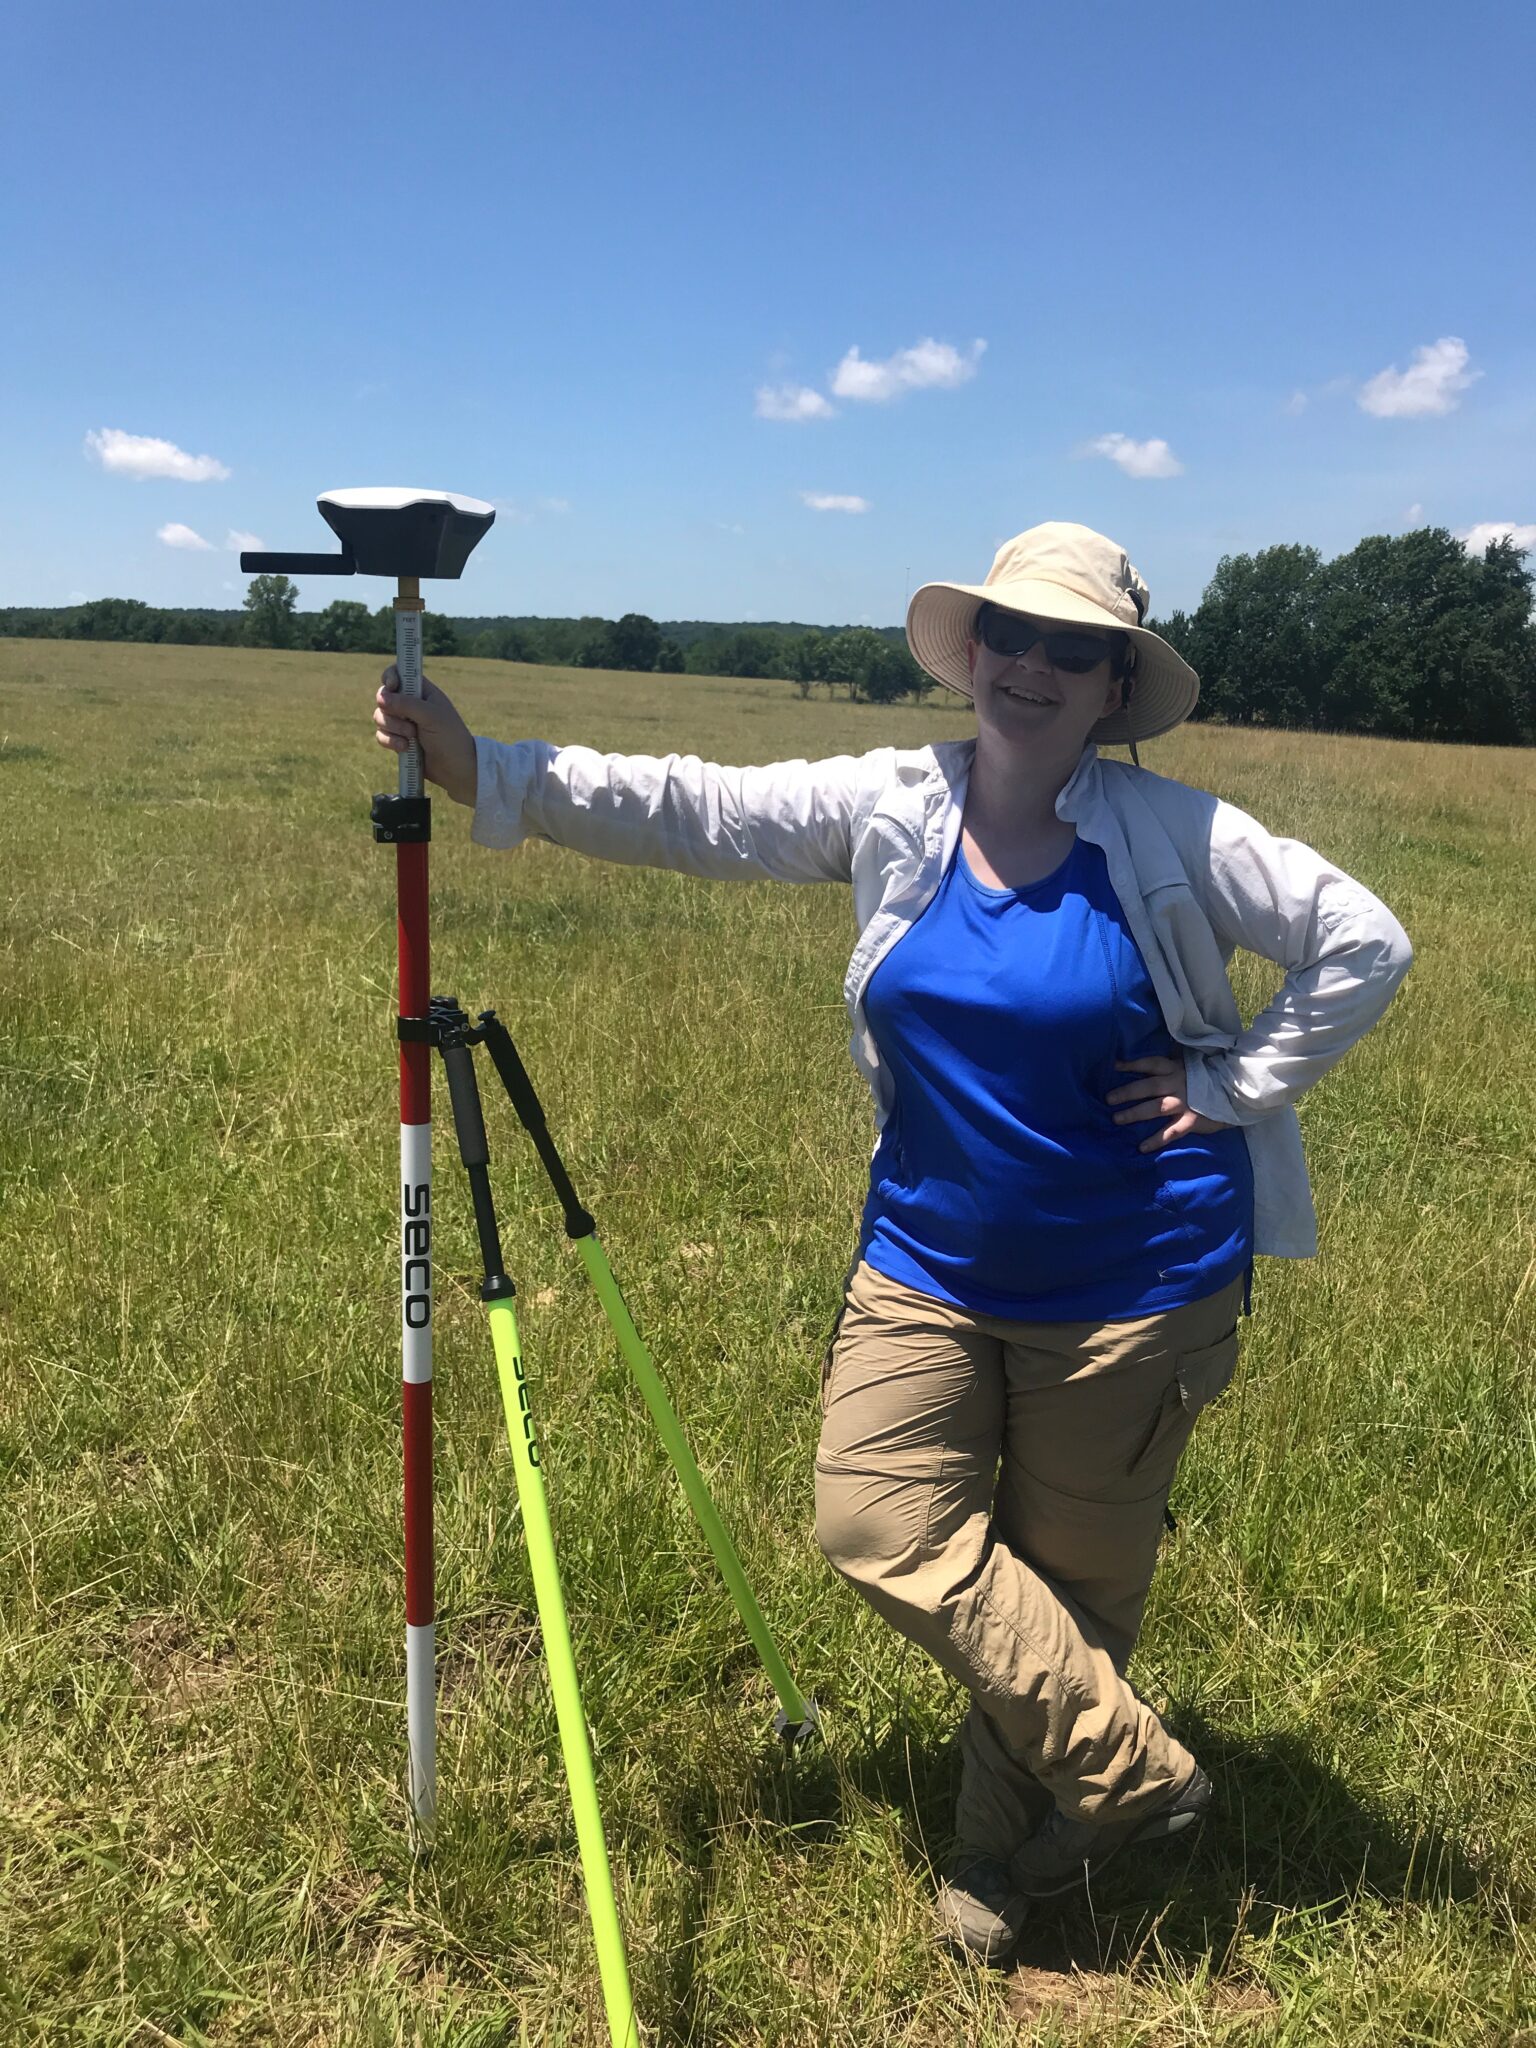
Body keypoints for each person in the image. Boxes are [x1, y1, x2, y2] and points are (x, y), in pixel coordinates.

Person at [372, 521, 1411, 1963]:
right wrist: (489, 771)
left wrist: (1231, 1086)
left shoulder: (1174, 837)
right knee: (875, 1522)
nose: (1035, 667)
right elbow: (697, 806)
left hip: (1136, 1286)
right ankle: (1137, 1775)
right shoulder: (896, 804)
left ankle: (1002, 1861)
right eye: (1014, 636)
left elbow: (1366, 939)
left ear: (1114, 685)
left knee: (1065, 1595)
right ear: (970, 652)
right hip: (925, 1261)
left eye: (1075, 649)